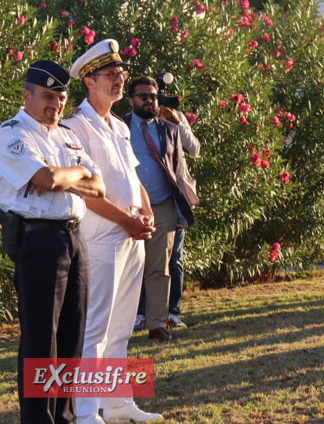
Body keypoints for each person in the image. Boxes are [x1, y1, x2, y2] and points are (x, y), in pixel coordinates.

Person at [63, 40, 162, 423]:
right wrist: (127, 220)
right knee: (95, 329)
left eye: (121, 73)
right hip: (101, 238)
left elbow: (133, 177)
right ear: (89, 80)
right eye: (111, 75)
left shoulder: (119, 126)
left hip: (132, 235)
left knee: (121, 326)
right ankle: (87, 412)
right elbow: (86, 192)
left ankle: (118, 403)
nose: (119, 80)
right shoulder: (76, 126)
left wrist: (147, 214)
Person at [1, 61, 104, 424]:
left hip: (75, 239)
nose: (56, 105)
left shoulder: (65, 136)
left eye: (61, 98)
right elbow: (45, 178)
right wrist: (74, 173)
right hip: (39, 242)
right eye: (47, 96)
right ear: (26, 95)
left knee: (72, 340)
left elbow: (99, 187)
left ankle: (65, 418)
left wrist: (66, 176)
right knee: (41, 344)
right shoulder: (12, 134)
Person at [123, 76, 194, 343]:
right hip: (127, 208)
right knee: (124, 267)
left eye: (153, 95)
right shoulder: (119, 127)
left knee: (159, 268)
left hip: (162, 207)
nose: (149, 100)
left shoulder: (170, 129)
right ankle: (121, 325)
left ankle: (156, 324)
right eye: (143, 96)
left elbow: (177, 170)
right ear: (131, 100)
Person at [135, 95, 200, 331]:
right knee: (140, 260)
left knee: (174, 260)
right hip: (140, 203)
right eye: (149, 97)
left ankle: (172, 312)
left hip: (172, 201)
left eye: (157, 98)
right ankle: (141, 313)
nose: (154, 102)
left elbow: (194, 149)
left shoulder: (176, 119)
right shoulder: (130, 124)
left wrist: (178, 123)